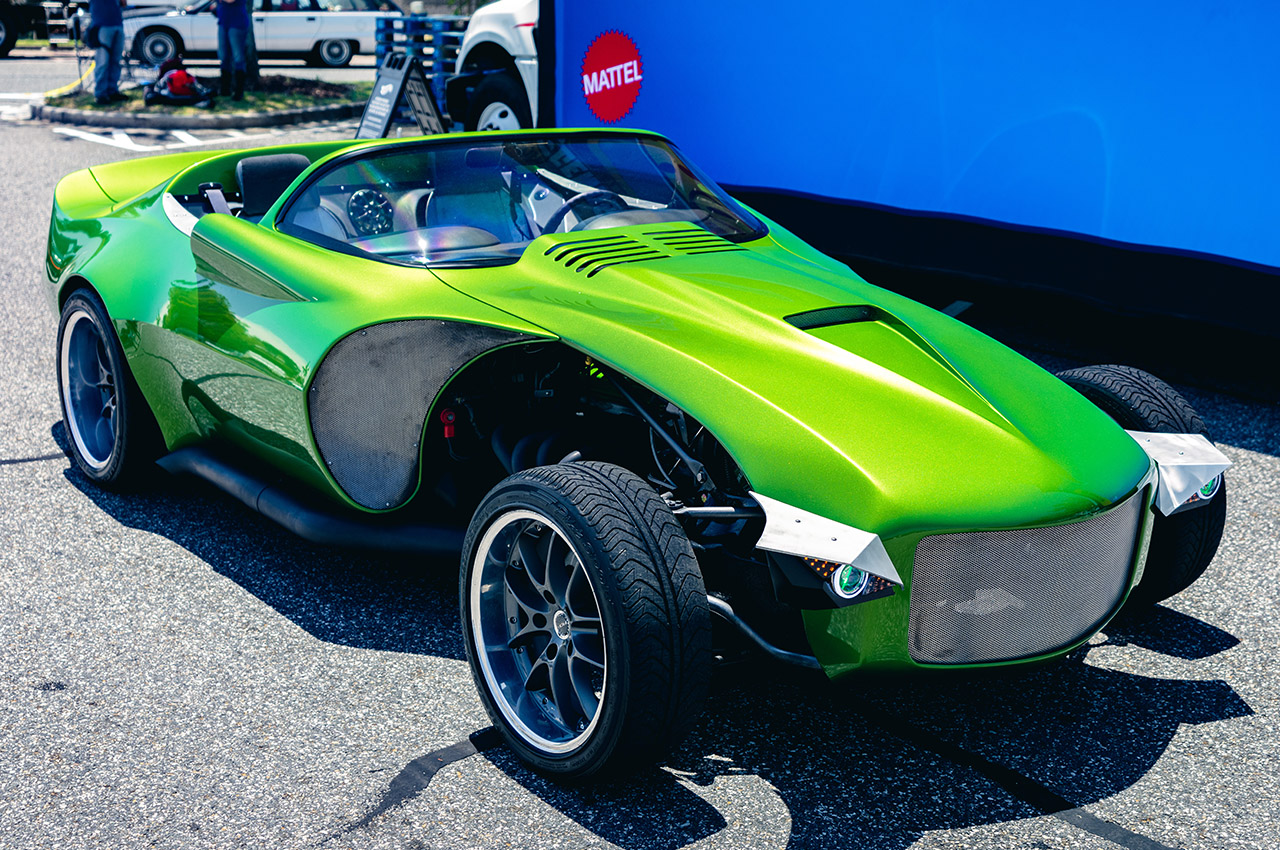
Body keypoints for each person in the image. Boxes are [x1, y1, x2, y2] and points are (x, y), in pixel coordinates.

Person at [87, 0, 126, 105]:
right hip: (101, 25)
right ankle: (100, 94)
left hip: (117, 23)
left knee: (116, 61)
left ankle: (112, 91)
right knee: (103, 62)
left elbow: (123, 3)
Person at [216, 0, 251, 100]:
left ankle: (239, 91)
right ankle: (225, 89)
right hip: (223, 21)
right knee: (223, 56)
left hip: (237, 23)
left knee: (238, 57)